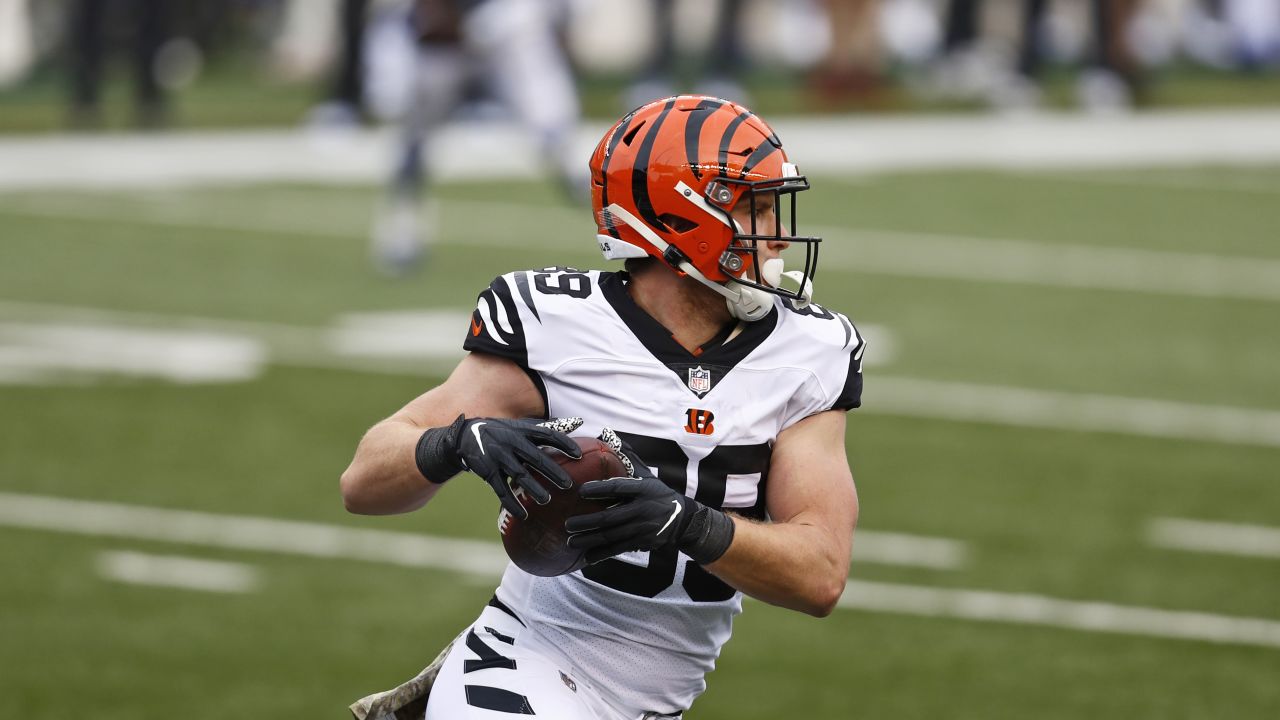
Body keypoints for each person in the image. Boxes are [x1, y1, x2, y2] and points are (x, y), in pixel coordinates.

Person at [341, 95, 864, 719]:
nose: (777, 234)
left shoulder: (810, 350)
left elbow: (820, 574)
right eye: (753, 208)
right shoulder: (556, 321)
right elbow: (363, 484)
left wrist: (684, 522)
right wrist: (455, 443)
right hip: (527, 660)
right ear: (678, 221)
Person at [370, 0, 584, 274]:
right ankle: (403, 224)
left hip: (504, 14)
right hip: (441, 29)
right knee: (415, 131)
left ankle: (607, 204)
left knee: (551, 119)